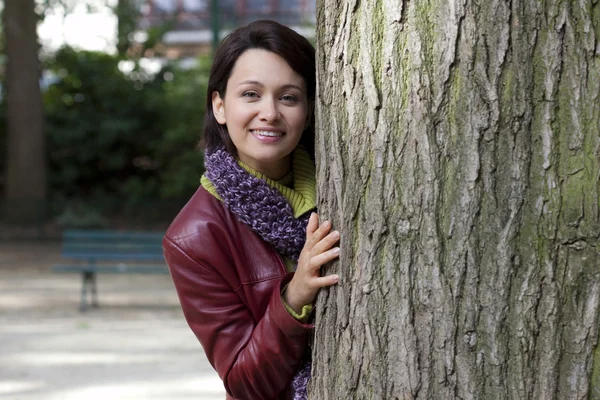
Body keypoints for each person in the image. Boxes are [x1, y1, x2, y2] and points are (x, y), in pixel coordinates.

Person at [162, 20, 341, 400]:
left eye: (289, 97)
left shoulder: (344, 185)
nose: (270, 112)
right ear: (220, 106)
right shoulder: (193, 238)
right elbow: (244, 383)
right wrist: (295, 296)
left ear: (308, 111)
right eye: (251, 94)